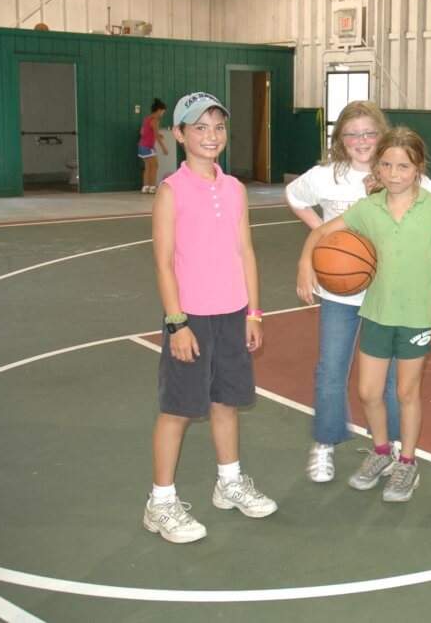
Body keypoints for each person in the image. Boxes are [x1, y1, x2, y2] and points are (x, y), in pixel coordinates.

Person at [297, 127, 431, 504]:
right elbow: (321, 232)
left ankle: (407, 461)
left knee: (406, 392)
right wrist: (306, 261)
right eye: (386, 164)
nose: (394, 173)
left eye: (403, 165)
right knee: (369, 392)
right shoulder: (368, 208)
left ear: (418, 167)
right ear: (378, 167)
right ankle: (381, 452)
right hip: (377, 314)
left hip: (419, 317)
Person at [143, 92, 277, 544]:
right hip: (191, 318)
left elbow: (246, 252)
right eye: (199, 128)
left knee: (227, 401)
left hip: (233, 314)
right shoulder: (171, 191)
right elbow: (163, 262)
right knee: (178, 410)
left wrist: (254, 312)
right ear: (179, 134)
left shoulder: (235, 188)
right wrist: (177, 323)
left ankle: (230, 482)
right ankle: (160, 503)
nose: (211, 136)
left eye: (218, 127)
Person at [138, 98, 169, 193]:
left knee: (148, 167)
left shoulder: (147, 119)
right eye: (163, 112)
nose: (162, 114)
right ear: (159, 110)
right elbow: (156, 135)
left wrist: (156, 134)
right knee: (155, 166)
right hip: (148, 147)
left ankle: (145, 187)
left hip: (141, 146)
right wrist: (163, 148)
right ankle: (152, 187)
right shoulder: (155, 121)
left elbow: (142, 132)